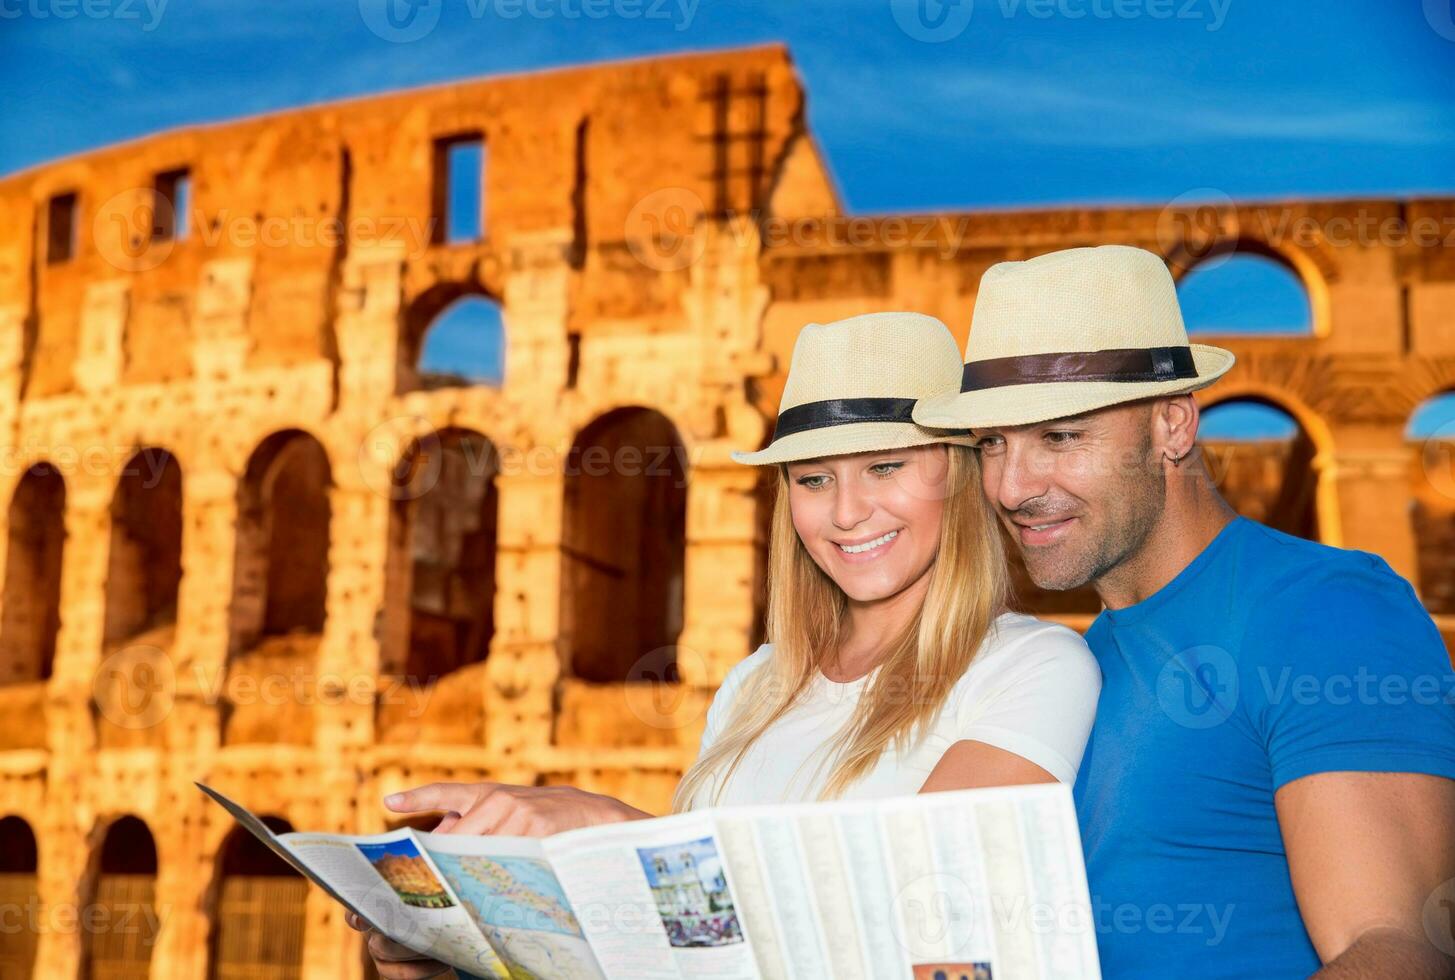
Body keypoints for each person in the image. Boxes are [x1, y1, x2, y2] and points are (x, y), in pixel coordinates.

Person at [354, 311, 1102, 979]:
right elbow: (690, 950)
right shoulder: (757, 684)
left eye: (885, 466)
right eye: (812, 478)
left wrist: (609, 825)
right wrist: (461, 939)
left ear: (959, 478)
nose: (845, 512)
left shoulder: (1033, 667)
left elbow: (920, 906)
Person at [913, 244, 1455, 979]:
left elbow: (1392, 948)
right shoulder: (1069, 665)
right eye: (991, 444)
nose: (1011, 486)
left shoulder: (1325, 609)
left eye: (1060, 436)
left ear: (1172, 424)